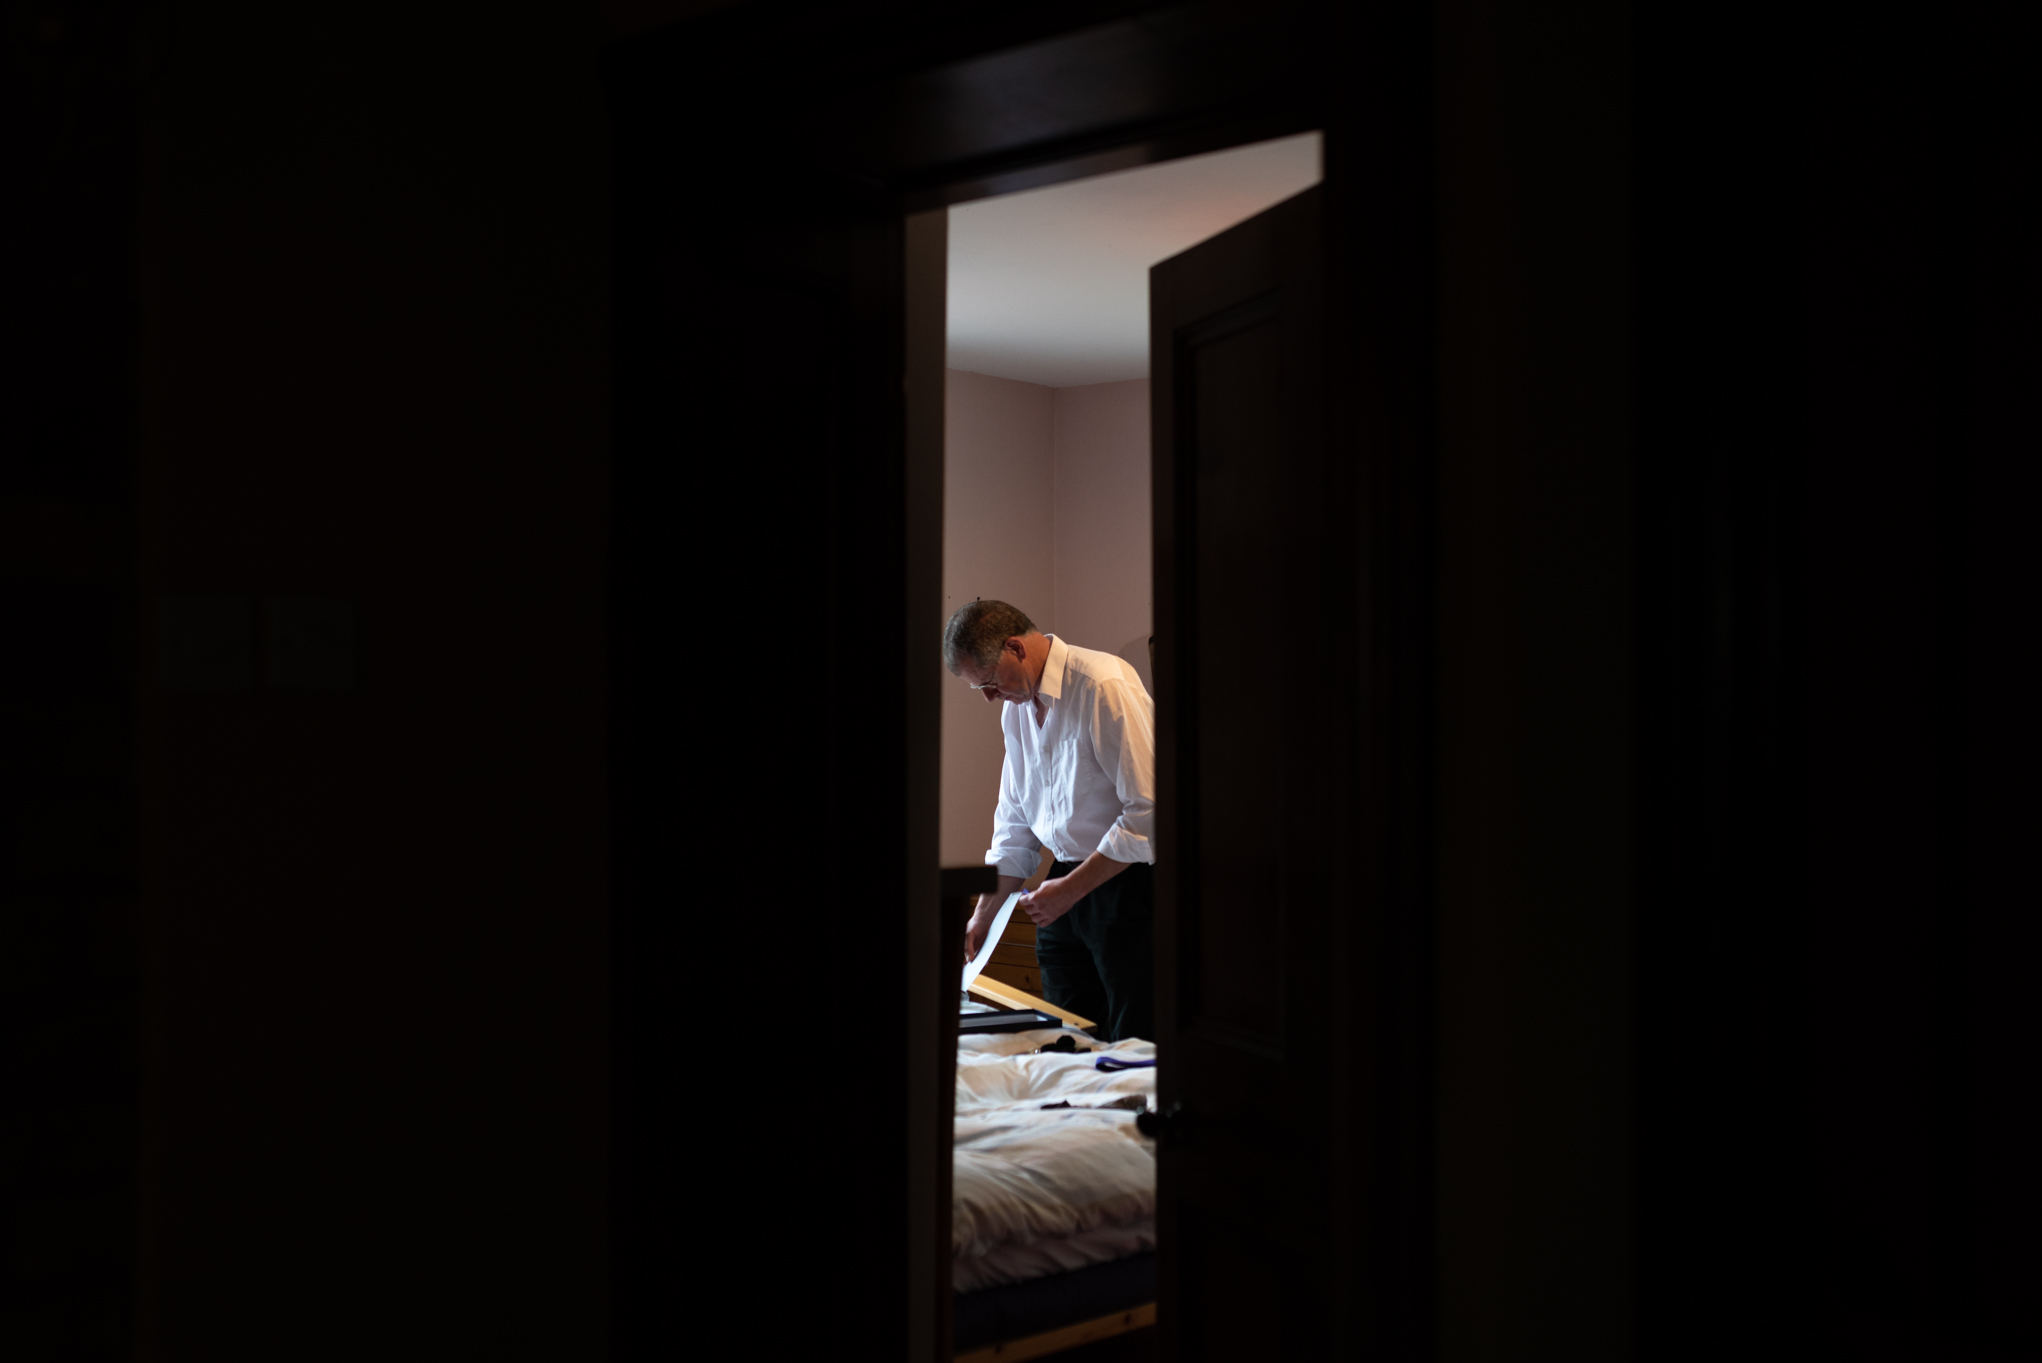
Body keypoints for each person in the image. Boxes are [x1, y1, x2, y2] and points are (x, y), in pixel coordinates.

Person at [943, 599, 1156, 1043]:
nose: (988, 698)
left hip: (1126, 884)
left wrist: (1073, 889)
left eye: (988, 682)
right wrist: (983, 913)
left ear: (1016, 648)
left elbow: (1150, 810)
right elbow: (1015, 822)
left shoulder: (1103, 684)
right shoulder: (1015, 710)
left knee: (1132, 1037)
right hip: (1060, 884)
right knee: (1065, 1033)